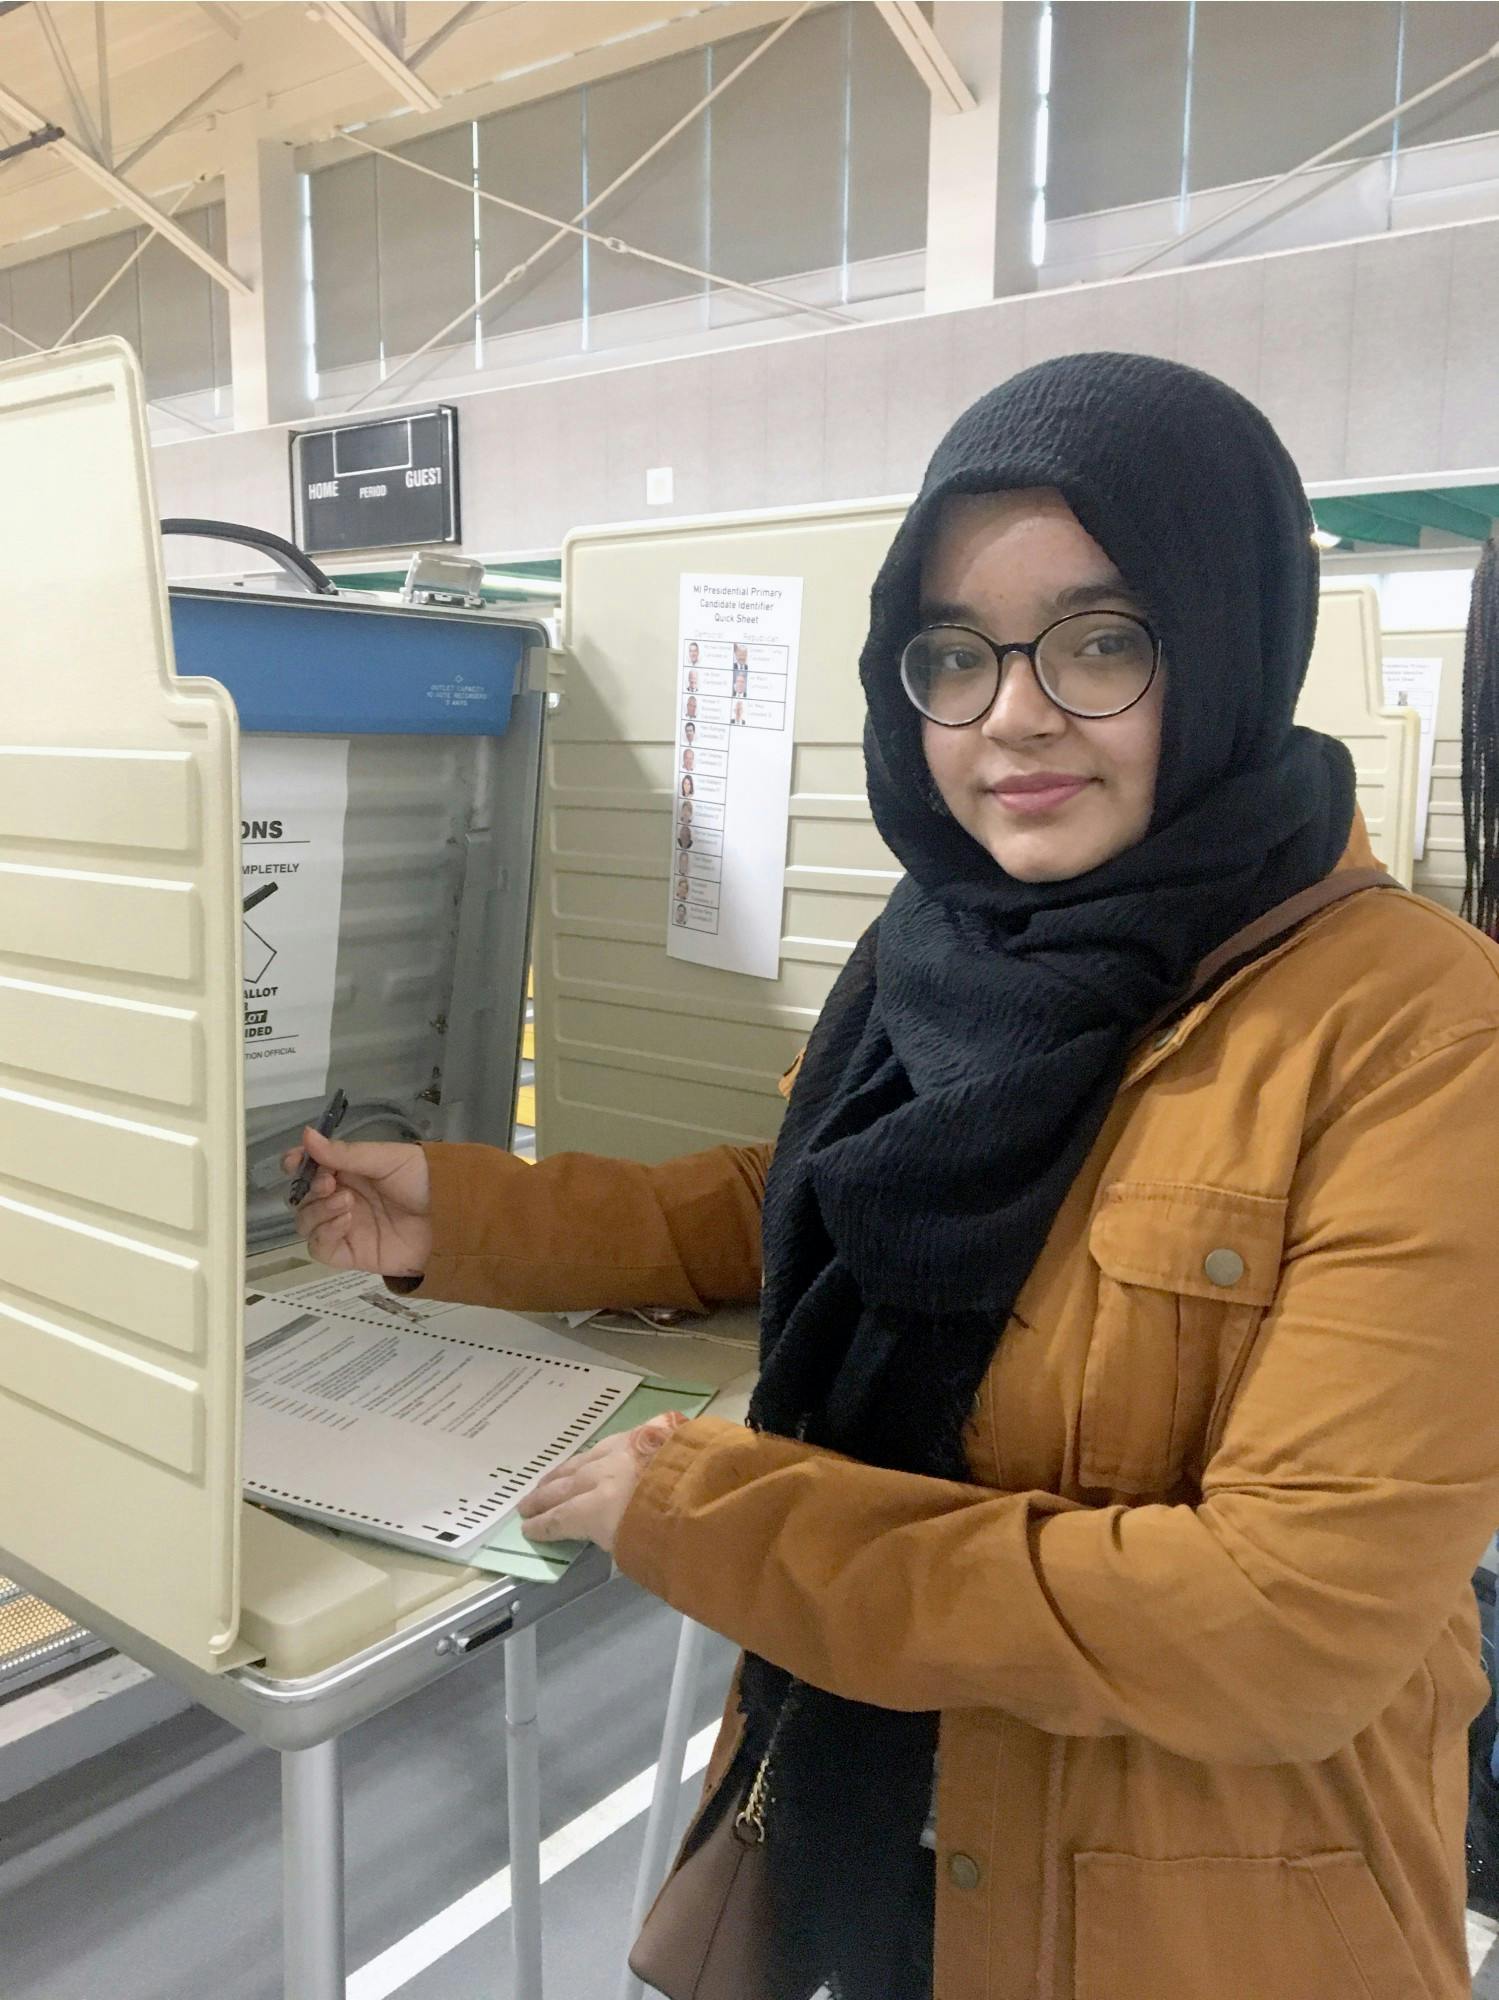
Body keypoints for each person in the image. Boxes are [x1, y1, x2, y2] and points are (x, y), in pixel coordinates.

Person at [283, 354, 1499, 2000]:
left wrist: (738, 1525)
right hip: (857, 1839)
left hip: (1196, 1922)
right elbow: (820, 1196)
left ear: (1225, 640)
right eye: (956, 654)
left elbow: (1283, 1628)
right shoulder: (941, 944)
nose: (1012, 713)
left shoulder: (1420, 1035)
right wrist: (474, 1215)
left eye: (1099, 640)